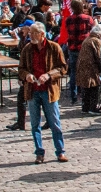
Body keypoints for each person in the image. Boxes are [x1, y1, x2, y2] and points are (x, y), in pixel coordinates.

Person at [17, 22, 68, 164]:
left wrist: (49, 75)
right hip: (33, 90)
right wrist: (27, 75)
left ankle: (60, 151)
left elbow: (63, 68)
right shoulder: (27, 49)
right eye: (30, 33)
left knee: (54, 122)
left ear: (42, 34)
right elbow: (21, 68)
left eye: (34, 33)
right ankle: (39, 152)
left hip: (49, 90)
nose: (30, 35)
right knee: (35, 124)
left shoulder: (53, 47)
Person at [61, 0, 95, 105]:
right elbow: (92, 32)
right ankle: (84, 95)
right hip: (84, 49)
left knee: (73, 73)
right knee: (85, 72)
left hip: (72, 48)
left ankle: (73, 96)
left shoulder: (68, 19)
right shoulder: (88, 18)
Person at [75, 24, 101, 115]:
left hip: (82, 67)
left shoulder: (87, 39)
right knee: (94, 88)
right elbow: (100, 56)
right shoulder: (96, 41)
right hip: (91, 68)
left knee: (86, 88)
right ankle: (93, 108)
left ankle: (85, 108)